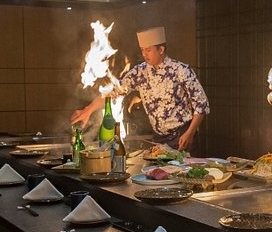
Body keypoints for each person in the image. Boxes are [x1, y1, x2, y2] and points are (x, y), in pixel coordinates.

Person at [71, 26, 210, 152]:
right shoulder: (140, 72)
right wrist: (88, 110)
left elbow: (201, 105)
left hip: (182, 137)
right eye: (142, 50)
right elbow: (114, 92)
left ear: (161, 50)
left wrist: (190, 133)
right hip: (159, 139)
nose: (144, 54)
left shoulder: (181, 70)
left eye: (148, 50)